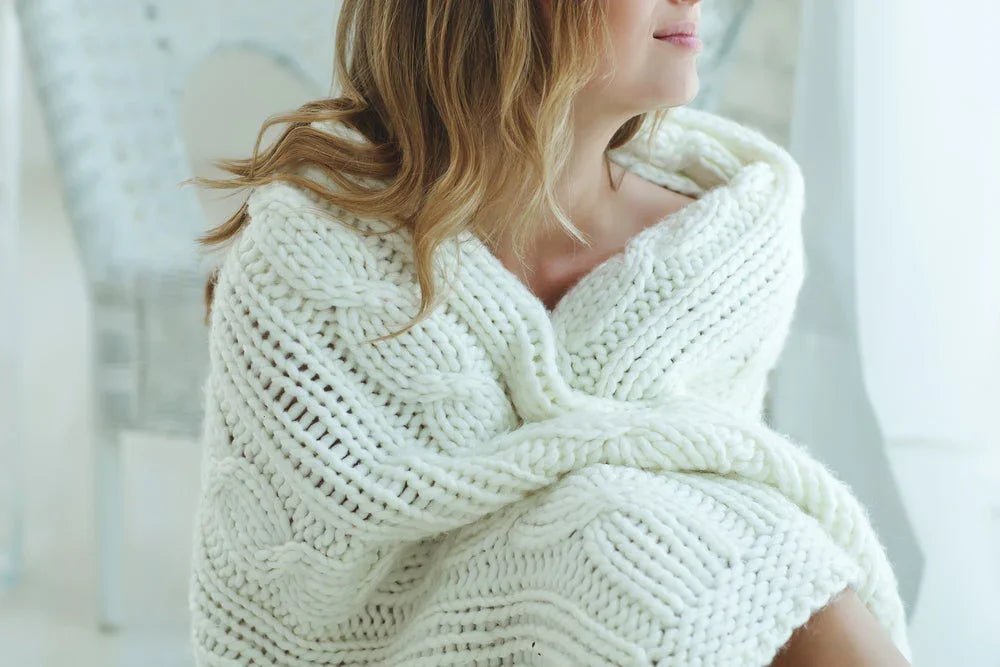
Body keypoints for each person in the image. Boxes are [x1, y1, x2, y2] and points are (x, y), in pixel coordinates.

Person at [186, 1, 912, 664]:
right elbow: (304, 607)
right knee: (643, 543)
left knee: (740, 555)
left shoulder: (725, 254)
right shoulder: (307, 269)